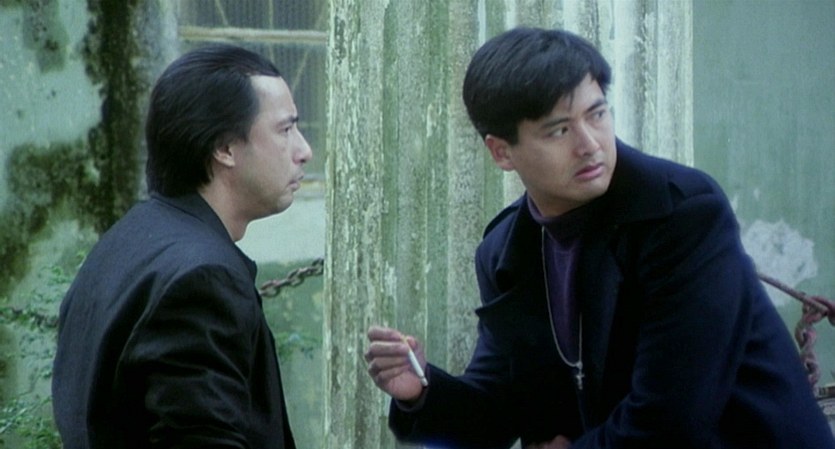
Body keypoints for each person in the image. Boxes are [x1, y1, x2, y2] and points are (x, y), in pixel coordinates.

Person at [364, 27, 835, 449]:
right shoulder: (508, 250)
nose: (589, 144)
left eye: (597, 114)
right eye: (559, 130)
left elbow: (672, 419)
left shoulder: (681, 213)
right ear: (502, 152)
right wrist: (421, 391)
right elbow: (502, 405)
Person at [52, 44, 312, 449]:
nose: (304, 151)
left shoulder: (129, 238)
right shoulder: (201, 280)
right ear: (224, 148)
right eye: (285, 130)